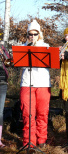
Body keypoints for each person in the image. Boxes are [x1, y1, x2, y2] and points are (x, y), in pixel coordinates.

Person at [20, 20, 51, 148]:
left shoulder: (46, 46)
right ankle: (29, 142)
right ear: (27, 35)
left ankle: (42, 139)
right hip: (27, 83)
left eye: (34, 34)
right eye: (30, 34)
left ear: (39, 34)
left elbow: (51, 63)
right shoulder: (22, 47)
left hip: (43, 84)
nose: (32, 36)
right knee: (28, 114)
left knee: (42, 113)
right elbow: (19, 65)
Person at [0, 44, 11, 148]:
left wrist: (3, 54)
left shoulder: (2, 47)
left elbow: (8, 63)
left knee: (0, 112)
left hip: (2, 82)